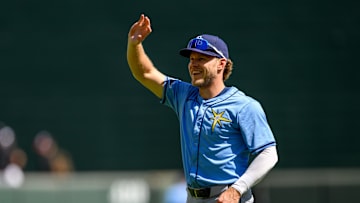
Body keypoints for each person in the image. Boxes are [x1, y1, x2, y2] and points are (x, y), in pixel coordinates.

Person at [127, 14, 278, 203]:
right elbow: (145, 72)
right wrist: (135, 45)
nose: (194, 64)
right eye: (191, 59)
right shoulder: (184, 95)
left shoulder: (244, 106)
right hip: (193, 197)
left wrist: (237, 190)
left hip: (228, 198)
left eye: (202, 59)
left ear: (221, 64)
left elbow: (268, 153)